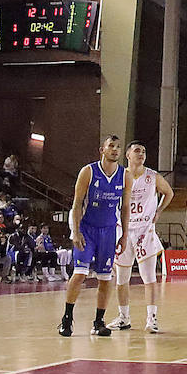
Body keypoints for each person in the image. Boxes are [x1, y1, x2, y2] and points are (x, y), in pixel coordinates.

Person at [58, 135, 129, 337]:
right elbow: (77, 204)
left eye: (117, 147)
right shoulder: (88, 171)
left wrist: (124, 235)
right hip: (87, 229)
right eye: (111, 146)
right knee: (79, 274)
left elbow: (124, 208)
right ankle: (67, 319)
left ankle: (98, 322)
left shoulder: (125, 175)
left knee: (106, 279)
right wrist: (75, 231)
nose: (114, 150)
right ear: (102, 150)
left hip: (108, 231)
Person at [110, 142, 174, 333]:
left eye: (144, 151)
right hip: (123, 231)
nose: (141, 154)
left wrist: (159, 211)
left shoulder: (152, 176)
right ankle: (123, 318)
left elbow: (169, 193)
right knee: (122, 279)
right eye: (137, 150)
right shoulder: (119, 176)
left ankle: (152, 319)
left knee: (149, 277)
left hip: (145, 230)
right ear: (128, 155)